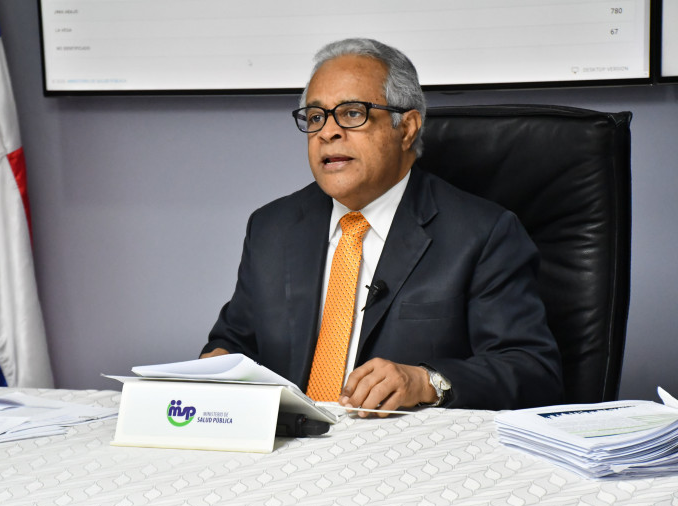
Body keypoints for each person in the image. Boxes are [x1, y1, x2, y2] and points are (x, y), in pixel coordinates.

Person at [201, 38, 563, 414]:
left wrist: (426, 382)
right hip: (289, 437)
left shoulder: (483, 234)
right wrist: (218, 365)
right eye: (316, 116)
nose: (327, 132)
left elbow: (532, 371)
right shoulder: (272, 228)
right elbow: (235, 342)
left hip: (403, 443)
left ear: (406, 128)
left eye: (352, 113)